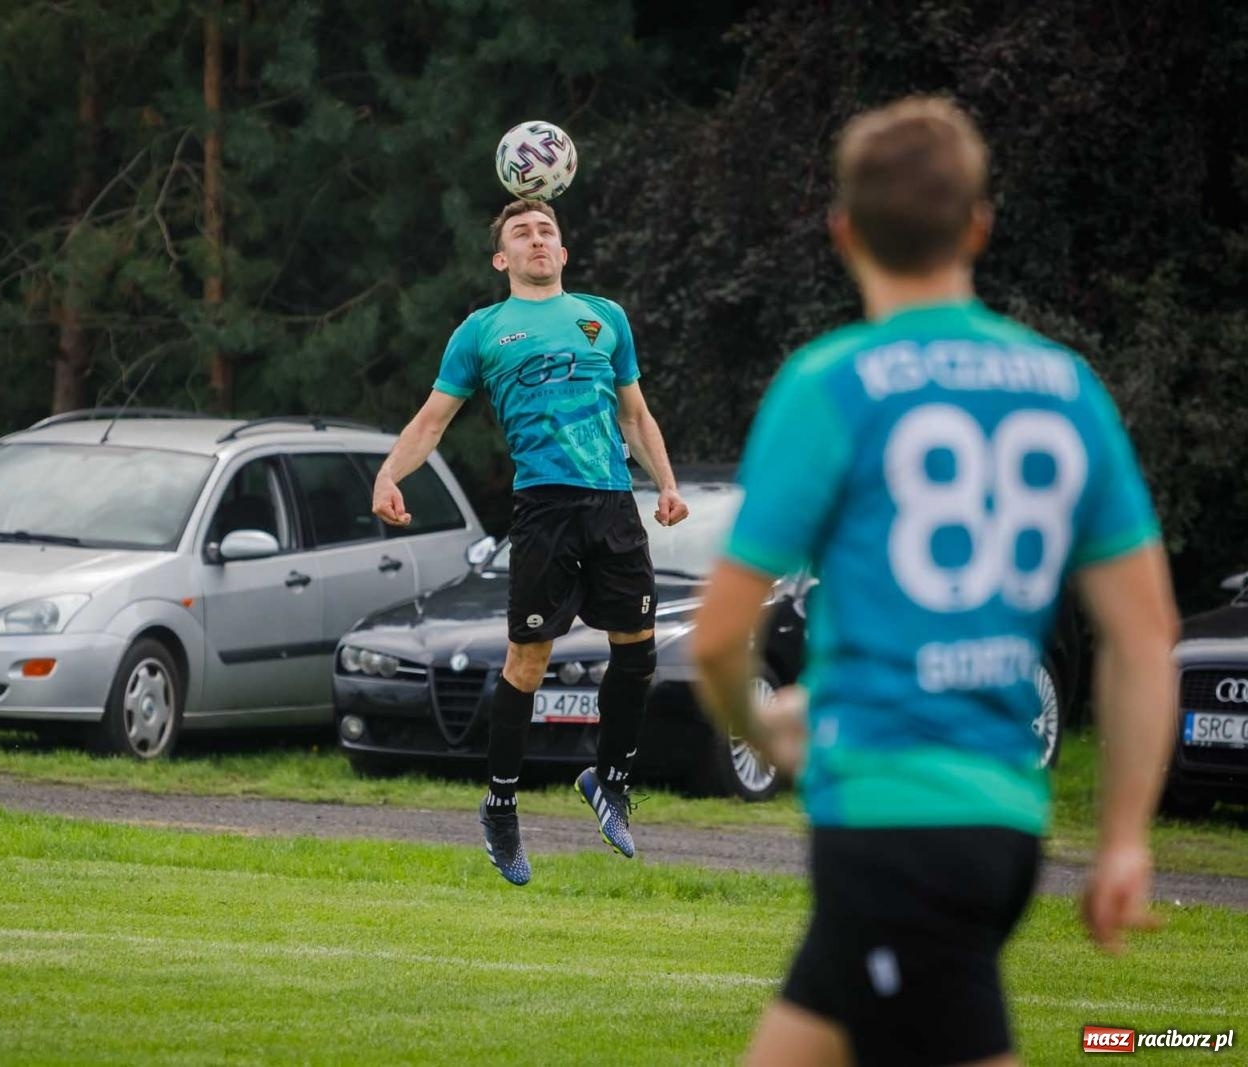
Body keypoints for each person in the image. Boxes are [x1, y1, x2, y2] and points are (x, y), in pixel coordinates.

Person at [690, 97, 1179, 1066]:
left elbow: (713, 638)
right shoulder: (1066, 386)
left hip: (893, 822)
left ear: (842, 232)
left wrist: (762, 728)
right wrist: (1124, 834)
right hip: (999, 819)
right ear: (978, 226)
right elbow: (1142, 634)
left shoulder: (830, 382)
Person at [371, 199, 688, 886]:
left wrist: (665, 482)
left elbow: (635, 414)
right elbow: (432, 421)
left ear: (563, 252)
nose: (537, 239)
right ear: (502, 258)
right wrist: (389, 474)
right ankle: (501, 806)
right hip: (544, 509)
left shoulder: (605, 317)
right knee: (527, 660)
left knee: (637, 649)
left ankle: (609, 780)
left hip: (612, 502)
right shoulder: (482, 331)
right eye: (522, 232)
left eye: (547, 231)